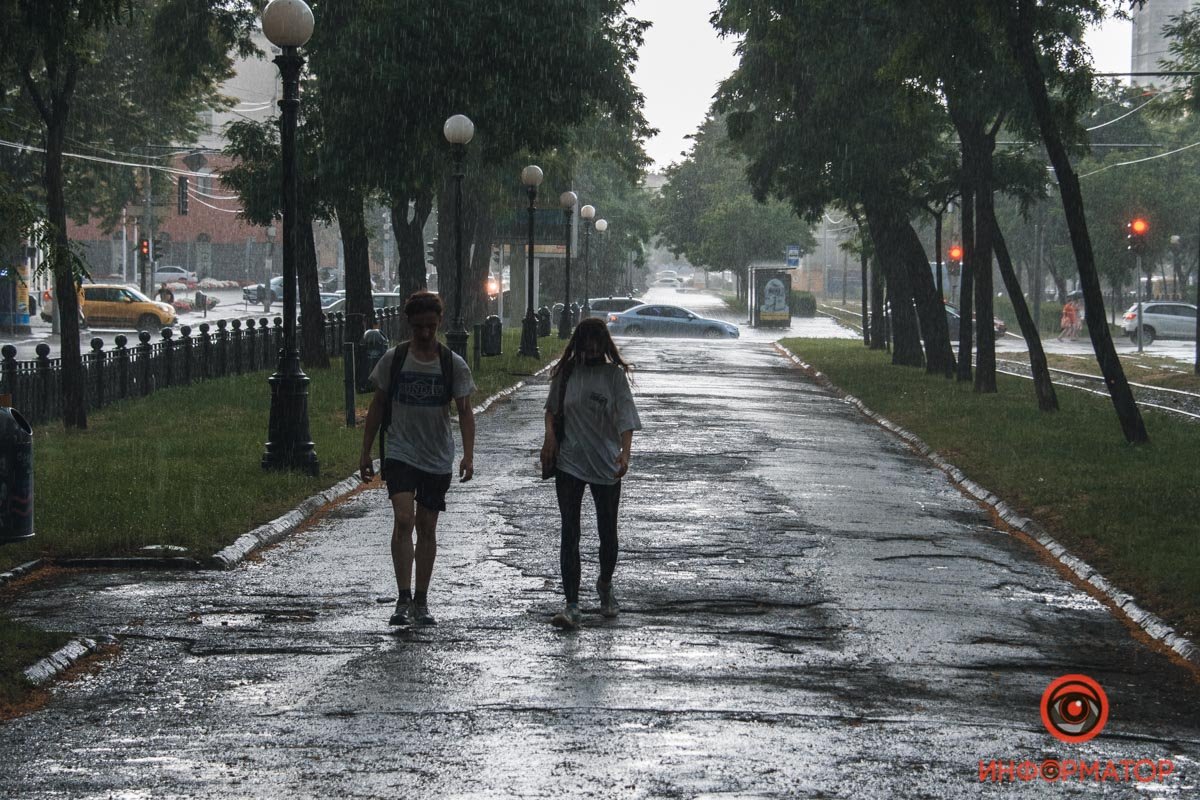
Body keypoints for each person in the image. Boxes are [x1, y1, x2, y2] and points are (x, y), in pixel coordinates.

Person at [359, 291, 476, 627]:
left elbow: (466, 412)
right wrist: (365, 451)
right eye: (419, 327)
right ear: (408, 325)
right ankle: (403, 596)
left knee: (426, 527)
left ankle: (422, 600)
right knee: (404, 519)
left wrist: (468, 455)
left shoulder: (451, 363)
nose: (425, 334)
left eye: (431, 327)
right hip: (400, 451)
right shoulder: (394, 360)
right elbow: (378, 406)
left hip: (436, 456)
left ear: (439, 324)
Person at [540, 318, 641, 630]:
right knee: (570, 531)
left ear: (605, 344)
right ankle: (571, 604)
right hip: (570, 462)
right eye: (587, 342)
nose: (592, 348)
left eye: (598, 342)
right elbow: (552, 410)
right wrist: (550, 439)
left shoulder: (614, 376)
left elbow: (626, 417)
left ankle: (605, 585)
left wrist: (625, 452)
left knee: (607, 531)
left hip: (606, 463)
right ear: (579, 343)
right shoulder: (566, 372)